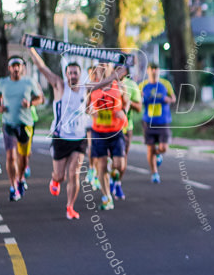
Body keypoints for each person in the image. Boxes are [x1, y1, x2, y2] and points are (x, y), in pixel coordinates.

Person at [30, 48, 88, 220]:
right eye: (70, 73)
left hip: (79, 138)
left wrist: (123, 69)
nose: (73, 76)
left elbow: (105, 81)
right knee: (60, 175)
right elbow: (42, 68)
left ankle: (70, 207)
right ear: (66, 74)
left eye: (75, 73)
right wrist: (31, 49)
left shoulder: (86, 89)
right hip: (60, 137)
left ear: (80, 74)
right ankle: (55, 180)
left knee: (74, 173)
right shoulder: (59, 86)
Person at [0, 57, 44, 201]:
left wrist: (30, 103)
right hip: (8, 123)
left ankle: (21, 178)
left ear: (22, 67)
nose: (16, 68)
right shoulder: (2, 82)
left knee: (23, 158)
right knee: (10, 156)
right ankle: (13, 186)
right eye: (13, 66)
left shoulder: (29, 82)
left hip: (25, 124)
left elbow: (40, 98)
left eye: (18, 66)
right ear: (9, 68)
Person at [87, 62, 130, 210]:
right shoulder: (92, 87)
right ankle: (107, 198)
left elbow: (127, 102)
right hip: (99, 131)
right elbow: (86, 107)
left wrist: (123, 112)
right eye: (100, 65)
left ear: (111, 68)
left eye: (105, 64)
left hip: (116, 130)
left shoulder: (119, 85)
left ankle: (114, 172)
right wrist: (91, 111)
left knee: (120, 165)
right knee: (101, 166)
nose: (103, 68)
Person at [140, 62, 175, 183]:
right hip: (148, 121)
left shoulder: (165, 84)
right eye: (152, 69)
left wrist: (168, 99)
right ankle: (154, 173)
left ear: (158, 71)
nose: (154, 71)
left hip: (163, 121)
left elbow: (173, 98)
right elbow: (137, 100)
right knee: (150, 149)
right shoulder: (143, 85)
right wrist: (140, 98)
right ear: (148, 71)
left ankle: (159, 154)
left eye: (156, 69)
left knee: (163, 147)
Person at [119, 65, 142, 194]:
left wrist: (126, 101)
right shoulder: (106, 83)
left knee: (122, 158)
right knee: (108, 158)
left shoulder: (131, 85)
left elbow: (139, 108)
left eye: (121, 68)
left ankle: (117, 182)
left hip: (126, 127)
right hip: (107, 129)